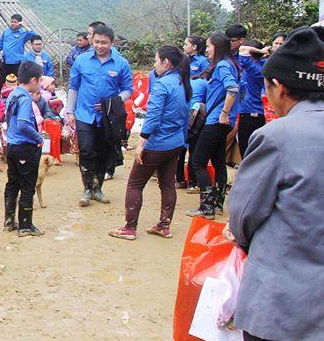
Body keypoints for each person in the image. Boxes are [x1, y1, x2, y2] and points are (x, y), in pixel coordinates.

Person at [223, 26, 324, 341]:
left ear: (279, 87)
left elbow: (244, 215)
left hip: (282, 306)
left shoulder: (277, 137)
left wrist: (245, 239)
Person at [109, 46, 190, 240]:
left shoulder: (162, 85)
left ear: (166, 62)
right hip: (175, 142)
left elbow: (153, 117)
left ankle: (129, 228)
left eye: (156, 60)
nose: (154, 65)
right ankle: (164, 225)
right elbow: (186, 116)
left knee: (135, 184)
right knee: (167, 184)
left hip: (157, 143)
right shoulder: (183, 83)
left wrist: (141, 143)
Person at [67, 24, 133, 206]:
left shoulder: (121, 63)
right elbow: (73, 87)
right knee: (86, 150)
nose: (100, 46)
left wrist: (112, 102)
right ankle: (87, 188)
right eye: (96, 42)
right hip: (84, 114)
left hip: (107, 117)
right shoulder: (81, 61)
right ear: (91, 41)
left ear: (112, 43)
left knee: (103, 152)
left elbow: (128, 89)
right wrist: (69, 111)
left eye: (104, 42)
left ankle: (98, 188)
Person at [185, 33, 240, 219]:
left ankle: (206, 207)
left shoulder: (223, 65)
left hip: (216, 121)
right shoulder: (229, 64)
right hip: (222, 121)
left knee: (197, 161)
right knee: (218, 161)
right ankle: (217, 204)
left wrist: (224, 113)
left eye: (209, 46)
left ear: (217, 47)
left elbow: (232, 89)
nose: (207, 49)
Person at [3, 61, 45, 236]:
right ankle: (25, 225)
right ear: (33, 80)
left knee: (12, 183)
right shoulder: (26, 99)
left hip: (12, 146)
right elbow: (23, 124)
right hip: (24, 147)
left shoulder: (13, 94)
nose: (41, 83)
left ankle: (9, 220)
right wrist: (39, 137)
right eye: (40, 80)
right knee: (27, 185)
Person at [236, 40, 269, 157]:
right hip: (248, 114)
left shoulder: (255, 68)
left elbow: (242, 49)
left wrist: (261, 51)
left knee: (247, 154)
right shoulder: (253, 66)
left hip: (251, 115)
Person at [0, 14, 37, 91]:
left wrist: (24, 26)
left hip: (17, 63)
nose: (13, 24)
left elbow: (34, 36)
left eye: (15, 22)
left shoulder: (23, 33)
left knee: (19, 82)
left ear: (19, 23)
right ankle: (0, 95)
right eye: (12, 22)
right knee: (1, 81)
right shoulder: (6, 31)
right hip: (5, 61)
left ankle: (18, 95)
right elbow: (0, 44)